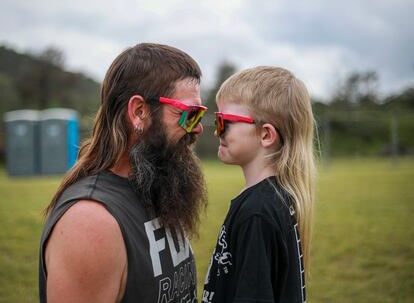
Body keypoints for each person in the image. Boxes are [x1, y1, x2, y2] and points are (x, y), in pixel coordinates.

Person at [39, 43, 208, 303]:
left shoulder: (157, 187)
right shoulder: (90, 222)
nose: (197, 129)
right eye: (189, 114)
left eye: (199, 116)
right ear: (139, 112)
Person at [202, 66, 316, 303]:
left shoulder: (258, 212)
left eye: (225, 122)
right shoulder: (271, 199)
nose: (217, 132)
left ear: (266, 135)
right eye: (217, 121)